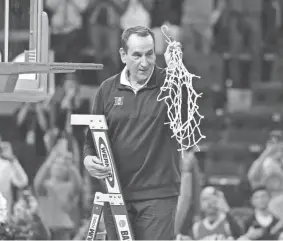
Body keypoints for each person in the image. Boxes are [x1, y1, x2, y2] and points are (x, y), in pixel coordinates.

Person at [83, 26, 187, 240]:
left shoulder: (169, 82)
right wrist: (88, 159)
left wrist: (176, 70)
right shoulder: (107, 89)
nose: (145, 62)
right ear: (123, 55)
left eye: (150, 54)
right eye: (137, 55)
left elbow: (185, 118)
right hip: (116, 191)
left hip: (158, 194)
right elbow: (91, 139)